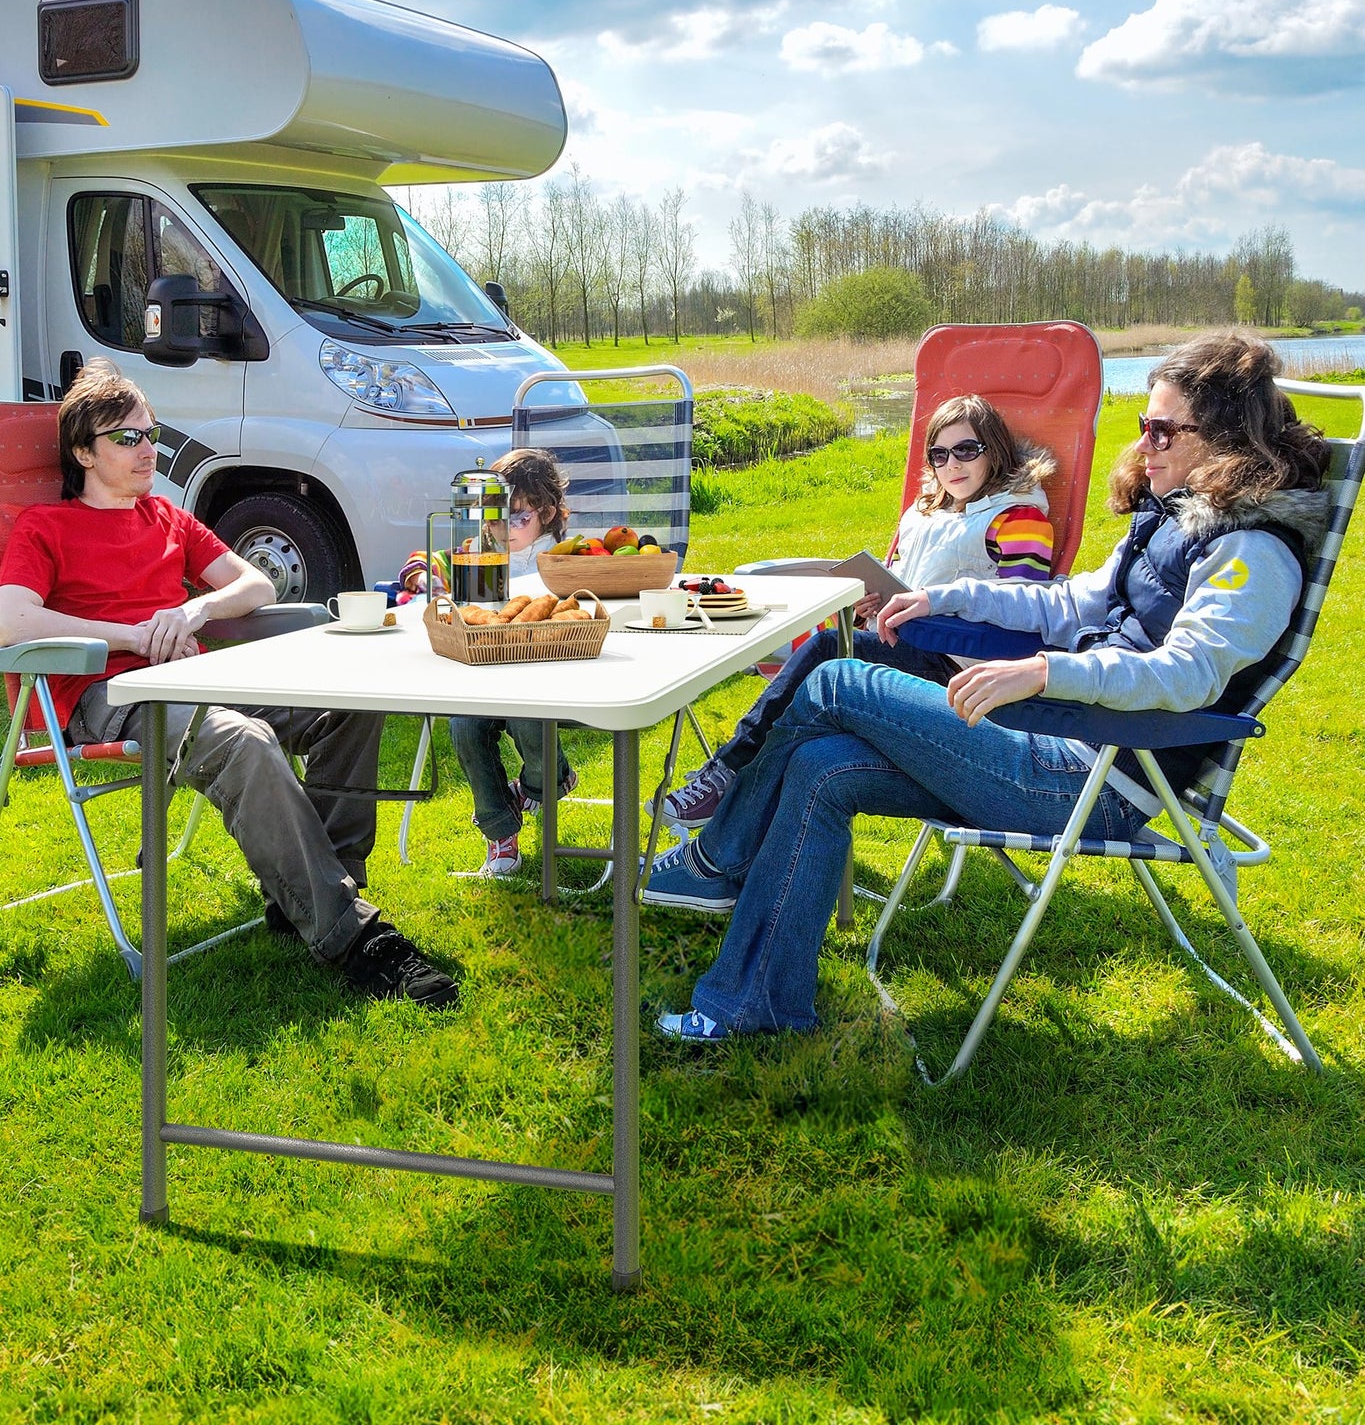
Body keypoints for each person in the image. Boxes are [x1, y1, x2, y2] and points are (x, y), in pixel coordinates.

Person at [643, 330, 1332, 1040]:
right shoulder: (1168, 522)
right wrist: (944, 600)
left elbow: (1187, 673)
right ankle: (753, 1005)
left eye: (1161, 429)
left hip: (1089, 782)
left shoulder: (1251, 550)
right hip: (1050, 735)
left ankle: (712, 860)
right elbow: (1066, 604)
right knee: (821, 767)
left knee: (836, 680)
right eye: (1141, 426)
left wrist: (1042, 670)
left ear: (1223, 440)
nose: (1144, 443)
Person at [0, 358, 458, 1008]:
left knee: (347, 701)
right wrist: (132, 635)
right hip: (114, 695)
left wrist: (193, 610)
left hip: (193, 674)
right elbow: (11, 620)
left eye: (151, 433)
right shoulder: (47, 527)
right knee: (243, 740)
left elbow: (256, 583)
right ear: (82, 451)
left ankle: (323, 889)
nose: (147, 448)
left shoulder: (167, 519)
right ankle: (355, 938)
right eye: (127, 438)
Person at [654, 393, 1055, 829]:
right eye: (939, 455)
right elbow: (906, 581)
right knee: (812, 709)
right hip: (904, 645)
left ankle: (728, 772)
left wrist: (928, 613)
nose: (952, 465)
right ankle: (735, 810)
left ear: (993, 451)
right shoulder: (925, 516)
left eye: (965, 450)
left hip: (958, 668)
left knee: (829, 649)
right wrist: (873, 606)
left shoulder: (1018, 518)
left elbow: (1022, 609)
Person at [442, 448, 582, 877]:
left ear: (549, 512)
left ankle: (546, 783)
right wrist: (423, 575)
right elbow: (433, 562)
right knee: (464, 726)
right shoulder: (477, 553)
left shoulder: (565, 559)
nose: (502, 528)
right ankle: (500, 830)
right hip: (489, 679)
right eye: (493, 516)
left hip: (548, 685)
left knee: (527, 720)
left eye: (517, 517)